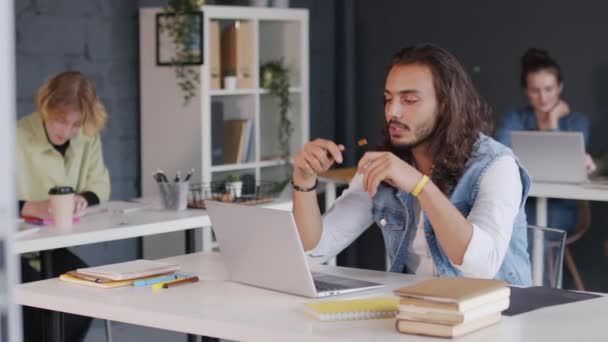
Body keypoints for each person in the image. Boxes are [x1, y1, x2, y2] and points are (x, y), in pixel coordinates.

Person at [292, 44, 532, 285]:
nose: (392, 112)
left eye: (409, 100)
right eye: (388, 99)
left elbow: (482, 267)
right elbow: (315, 249)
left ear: (446, 105)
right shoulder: (386, 165)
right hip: (421, 310)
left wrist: (420, 185)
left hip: (497, 314)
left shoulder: (496, 166)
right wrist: (304, 180)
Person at [16, 71, 110, 342]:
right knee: (34, 305)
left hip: (49, 245)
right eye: (59, 120)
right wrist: (26, 206)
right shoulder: (14, 136)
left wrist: (85, 197)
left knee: (87, 291)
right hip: (12, 247)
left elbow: (100, 184)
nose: (66, 131)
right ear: (46, 105)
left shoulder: (88, 137)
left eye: (76, 124)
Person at [496, 48, 596, 233]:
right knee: (511, 222)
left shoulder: (577, 121)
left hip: (561, 203)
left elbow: (563, 166)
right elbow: (502, 157)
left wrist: (552, 120)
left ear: (560, 87)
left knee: (541, 229)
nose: (543, 98)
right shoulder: (514, 118)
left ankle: (538, 262)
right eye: (535, 90)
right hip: (523, 198)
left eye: (548, 89)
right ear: (526, 91)